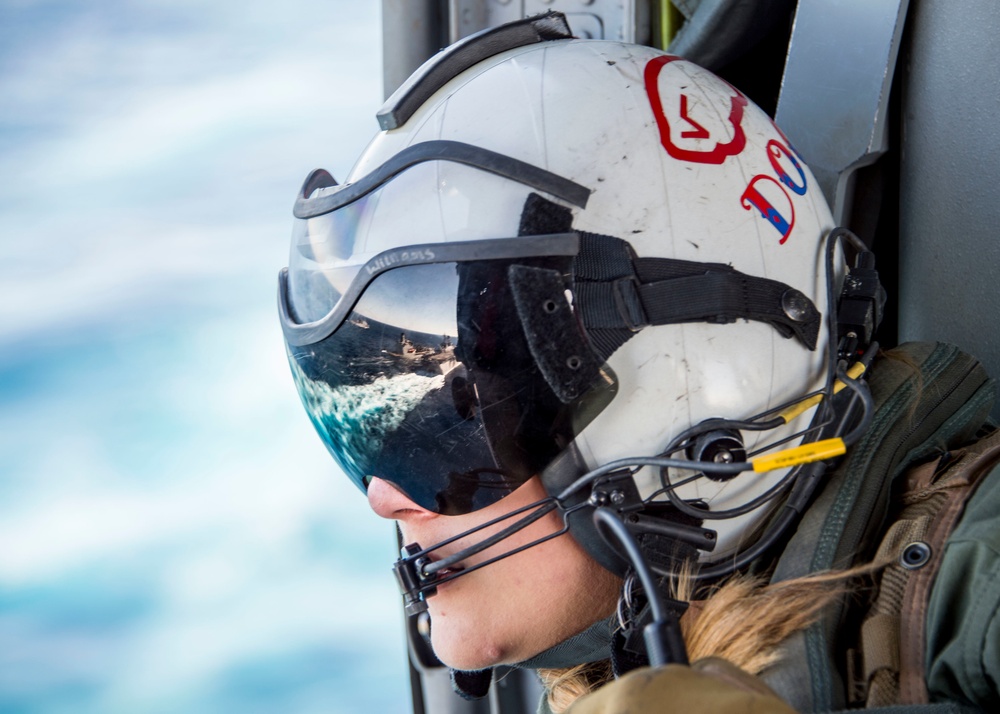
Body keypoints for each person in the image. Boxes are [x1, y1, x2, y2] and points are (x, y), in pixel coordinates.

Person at [277, 13, 1000, 714]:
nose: (384, 497)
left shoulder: (983, 579)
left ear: (687, 400)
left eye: (461, 420)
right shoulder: (610, 666)